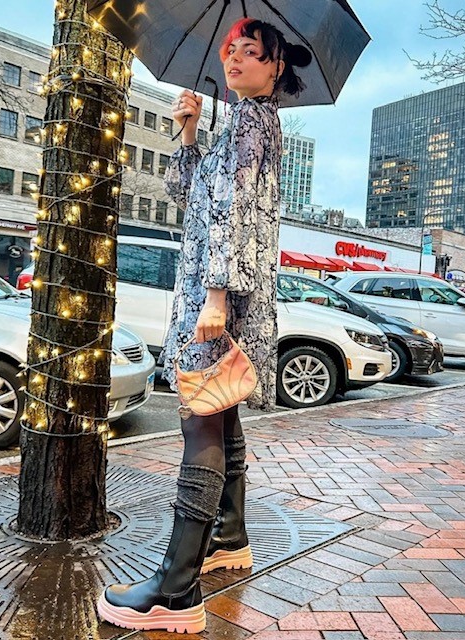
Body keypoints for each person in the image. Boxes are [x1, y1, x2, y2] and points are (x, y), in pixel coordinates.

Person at [97, 17, 309, 634]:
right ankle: (229, 535)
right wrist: (188, 133)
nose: (236, 58)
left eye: (251, 51)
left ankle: (176, 587)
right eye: (231, 49)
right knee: (222, 411)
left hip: (215, 295)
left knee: (199, 424)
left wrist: (215, 297)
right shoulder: (238, 124)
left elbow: (233, 212)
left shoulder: (250, 122)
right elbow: (185, 194)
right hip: (214, 290)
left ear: (276, 69)